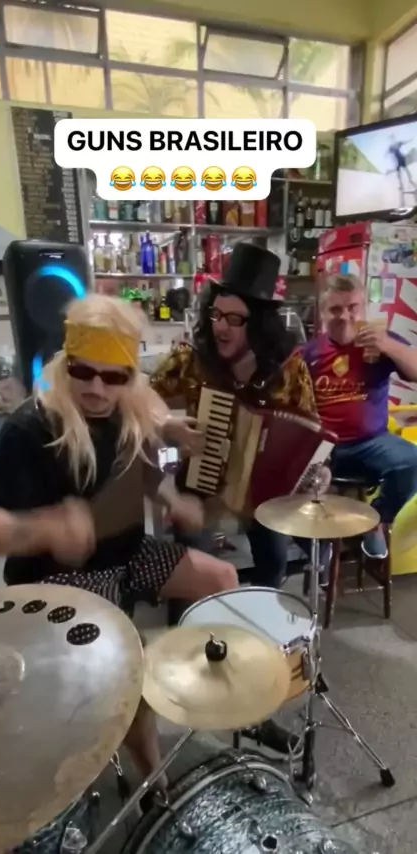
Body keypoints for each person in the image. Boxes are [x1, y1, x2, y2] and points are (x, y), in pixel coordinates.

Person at [0, 293, 238, 792]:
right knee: (131, 666)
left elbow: (137, 469)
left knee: (223, 578)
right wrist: (46, 527)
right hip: (59, 579)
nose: (97, 388)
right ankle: (151, 779)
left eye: (113, 377)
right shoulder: (30, 428)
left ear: (129, 375)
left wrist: (170, 496)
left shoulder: (129, 407)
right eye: (83, 371)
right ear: (66, 362)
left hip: (128, 553)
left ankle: (207, 694)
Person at [150, 242, 330, 755]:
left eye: (235, 318)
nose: (221, 327)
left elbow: (312, 435)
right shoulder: (191, 362)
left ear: (261, 324)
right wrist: (168, 428)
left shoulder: (288, 370)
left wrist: (317, 473)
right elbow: (139, 403)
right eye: (217, 315)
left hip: (263, 494)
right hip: (201, 490)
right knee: (192, 562)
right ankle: (193, 656)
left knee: (273, 558)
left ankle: (255, 650)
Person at [301, 272, 417, 559]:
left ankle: (375, 521)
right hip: (323, 444)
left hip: (371, 442)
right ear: (322, 314)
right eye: (335, 309)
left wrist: (388, 346)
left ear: (363, 308)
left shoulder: (381, 342)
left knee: (413, 461)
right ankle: (319, 552)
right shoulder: (308, 353)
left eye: (352, 307)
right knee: (287, 488)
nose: (345, 316)